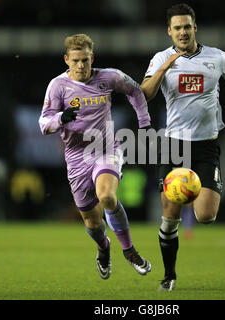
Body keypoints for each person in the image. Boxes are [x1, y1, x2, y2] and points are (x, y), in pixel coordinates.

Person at [141, 3, 225, 291]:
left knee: (206, 216)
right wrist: (164, 67)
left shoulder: (217, 57)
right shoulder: (160, 57)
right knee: (170, 215)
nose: (183, 32)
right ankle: (169, 276)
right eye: (177, 28)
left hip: (206, 147)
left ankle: (189, 197)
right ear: (169, 32)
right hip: (174, 147)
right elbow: (145, 93)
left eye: (187, 26)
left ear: (195, 27)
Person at [39, 34, 152, 280]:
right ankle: (104, 248)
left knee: (107, 197)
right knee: (92, 223)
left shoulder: (109, 77)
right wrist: (61, 119)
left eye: (86, 60)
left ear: (93, 58)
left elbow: (135, 91)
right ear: (67, 60)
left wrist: (144, 122)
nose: (81, 66)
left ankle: (130, 251)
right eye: (76, 60)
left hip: (105, 149)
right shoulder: (57, 86)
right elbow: (43, 123)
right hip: (76, 157)